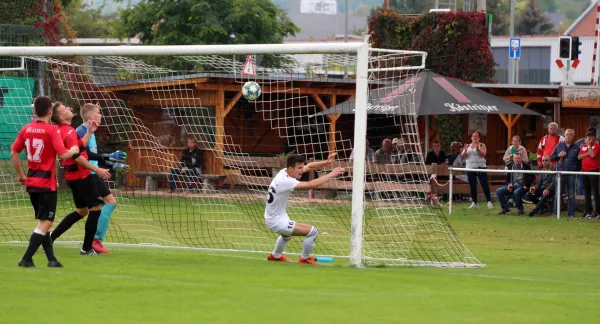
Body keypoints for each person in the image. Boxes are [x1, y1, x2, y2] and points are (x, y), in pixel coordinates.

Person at [10, 96, 80, 268]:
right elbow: (63, 155)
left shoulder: (26, 129)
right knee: (46, 222)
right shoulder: (52, 130)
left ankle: (51, 259)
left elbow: (13, 152)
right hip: (46, 184)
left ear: (35, 111)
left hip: (32, 182)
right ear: (50, 111)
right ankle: (26, 258)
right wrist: (74, 149)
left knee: (43, 222)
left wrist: (21, 175)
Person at [49, 102, 112, 255]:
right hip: (81, 176)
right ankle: (87, 248)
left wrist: (90, 131)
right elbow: (77, 157)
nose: (69, 108)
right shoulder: (68, 132)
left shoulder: (67, 130)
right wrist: (97, 169)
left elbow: (80, 145)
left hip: (73, 176)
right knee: (96, 208)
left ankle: (50, 238)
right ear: (62, 116)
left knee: (82, 211)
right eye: (66, 108)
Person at [265, 153, 344, 264]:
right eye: (299, 168)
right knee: (312, 231)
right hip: (276, 221)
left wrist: (326, 162)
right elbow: (310, 184)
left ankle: (275, 256)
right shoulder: (286, 181)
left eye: (302, 167)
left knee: (286, 236)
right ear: (291, 169)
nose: (302, 170)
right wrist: (331, 175)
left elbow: (310, 166)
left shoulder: (284, 172)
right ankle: (304, 259)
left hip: (276, 217)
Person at [77, 103, 129, 254]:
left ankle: (94, 240)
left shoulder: (90, 132)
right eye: (99, 113)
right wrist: (109, 158)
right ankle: (94, 241)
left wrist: (113, 164)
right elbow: (82, 156)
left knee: (86, 210)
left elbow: (93, 157)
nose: (101, 115)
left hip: (93, 173)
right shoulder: (81, 131)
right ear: (91, 116)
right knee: (101, 205)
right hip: (88, 175)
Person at [460, 131, 494, 209]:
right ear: (471, 138)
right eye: (473, 136)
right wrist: (464, 150)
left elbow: (483, 154)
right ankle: (474, 202)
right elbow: (462, 156)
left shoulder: (482, 145)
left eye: (476, 136)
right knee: (472, 185)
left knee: (484, 183)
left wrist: (478, 150)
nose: (474, 138)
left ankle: (489, 201)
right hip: (470, 168)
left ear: (479, 138)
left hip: (481, 167)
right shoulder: (468, 146)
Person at [551, 128, 579, 218]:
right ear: (564, 135)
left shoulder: (577, 147)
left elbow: (579, 162)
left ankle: (571, 214)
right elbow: (551, 158)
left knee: (571, 195)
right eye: (567, 134)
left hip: (571, 174)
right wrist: (558, 155)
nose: (568, 136)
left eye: (570, 134)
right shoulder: (558, 146)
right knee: (557, 194)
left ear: (573, 136)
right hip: (560, 173)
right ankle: (556, 213)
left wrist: (576, 170)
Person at [578, 127, 600, 219]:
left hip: (594, 171)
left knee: (596, 192)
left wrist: (589, 146)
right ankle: (588, 211)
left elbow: (593, 155)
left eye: (591, 135)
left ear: (595, 137)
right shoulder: (583, 146)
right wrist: (587, 152)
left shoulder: (598, 145)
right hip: (584, 171)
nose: (589, 137)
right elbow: (579, 157)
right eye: (588, 135)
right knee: (586, 192)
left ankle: (598, 212)